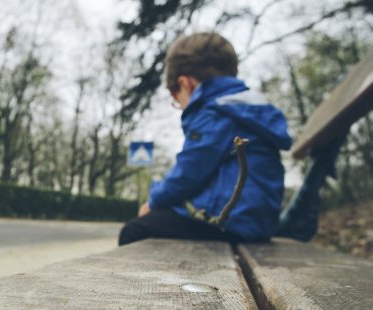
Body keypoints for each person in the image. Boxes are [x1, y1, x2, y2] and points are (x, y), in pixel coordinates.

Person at [119, 32, 292, 246]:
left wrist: (153, 201)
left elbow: (188, 174)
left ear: (186, 84)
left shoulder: (215, 112)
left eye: (177, 99)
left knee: (135, 230)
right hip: (255, 223)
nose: (180, 107)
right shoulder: (246, 109)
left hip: (228, 222)